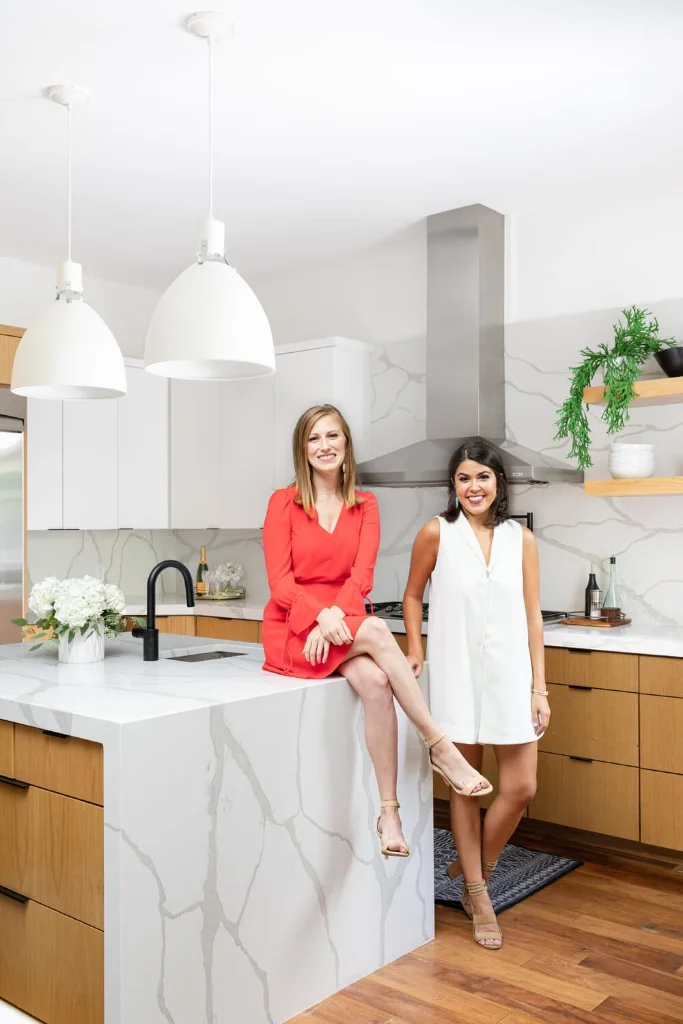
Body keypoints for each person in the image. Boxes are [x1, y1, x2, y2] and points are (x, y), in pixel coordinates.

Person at [262, 404, 493, 860]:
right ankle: (439, 745)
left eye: (333, 437)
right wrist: (320, 618)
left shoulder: (364, 506)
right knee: (371, 627)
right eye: (314, 438)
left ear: (347, 447)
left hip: (338, 624)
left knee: (376, 679)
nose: (324, 447)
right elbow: (281, 583)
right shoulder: (282, 503)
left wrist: (332, 621)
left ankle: (389, 812)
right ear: (302, 450)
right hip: (293, 629)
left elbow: (360, 581)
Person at [403, 439, 550, 950]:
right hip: (456, 676)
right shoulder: (436, 533)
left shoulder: (521, 540)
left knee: (520, 787)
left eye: (483, 477)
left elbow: (534, 616)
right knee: (465, 789)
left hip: (511, 677)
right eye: (464, 478)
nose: (474, 487)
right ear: (454, 485)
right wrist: (416, 647)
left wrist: (540, 687)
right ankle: (477, 894)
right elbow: (412, 593)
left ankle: (477, 867)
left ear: (498, 483)